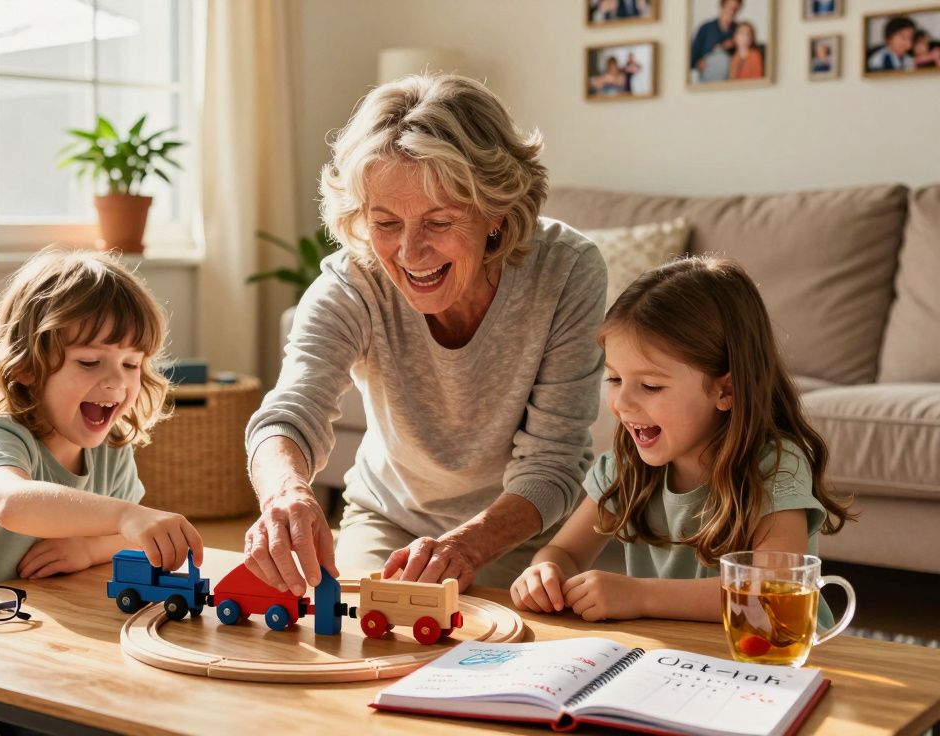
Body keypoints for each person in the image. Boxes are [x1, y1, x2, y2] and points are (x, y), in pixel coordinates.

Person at [243, 74, 607, 600]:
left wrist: (468, 546)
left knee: (496, 650)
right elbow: (288, 413)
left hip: (523, 530)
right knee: (360, 639)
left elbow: (552, 464)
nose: (410, 254)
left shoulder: (567, 271)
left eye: (438, 222)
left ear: (496, 213)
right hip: (390, 520)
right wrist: (286, 493)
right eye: (386, 222)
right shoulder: (354, 281)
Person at [0, 248, 204, 736]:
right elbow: (13, 503)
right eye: (91, 361)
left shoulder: (113, 450)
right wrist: (121, 518)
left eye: (132, 364)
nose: (116, 381)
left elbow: (127, 537)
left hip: (24, 652)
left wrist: (87, 546)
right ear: (28, 367)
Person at [509, 257, 853, 624]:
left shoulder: (775, 468)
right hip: (684, 661)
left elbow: (771, 592)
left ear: (727, 390)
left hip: (778, 661)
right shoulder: (626, 467)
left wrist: (638, 595)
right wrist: (544, 572)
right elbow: (565, 552)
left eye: (651, 386)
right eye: (613, 379)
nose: (622, 403)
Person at [691, 0, 743, 83]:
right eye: (729, 7)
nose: (732, 11)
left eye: (735, 8)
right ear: (722, 6)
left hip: (731, 83)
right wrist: (698, 63)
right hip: (708, 82)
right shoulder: (706, 28)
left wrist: (735, 44)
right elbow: (691, 56)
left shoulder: (740, 30)